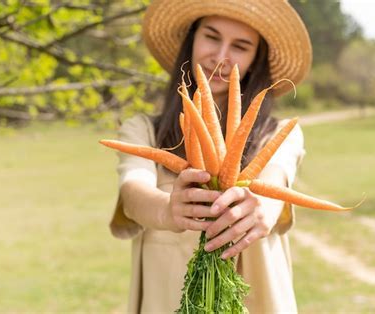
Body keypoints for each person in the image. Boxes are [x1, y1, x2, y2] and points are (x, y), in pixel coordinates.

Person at [109, 0, 312, 312]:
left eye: (241, 46)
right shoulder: (144, 130)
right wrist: (167, 209)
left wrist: (260, 209)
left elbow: (275, 178)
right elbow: (133, 189)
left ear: (256, 59)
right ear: (192, 39)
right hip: (167, 296)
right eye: (212, 37)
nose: (220, 57)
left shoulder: (279, 133)